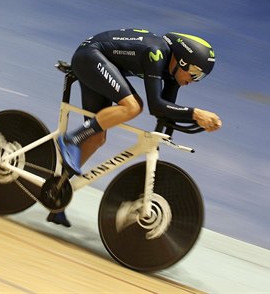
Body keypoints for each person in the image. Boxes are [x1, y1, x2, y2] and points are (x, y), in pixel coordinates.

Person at [47, 29, 221, 227]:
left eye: (200, 77)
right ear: (182, 61)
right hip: (90, 57)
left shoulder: (174, 76)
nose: (194, 80)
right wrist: (196, 114)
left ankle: (56, 196)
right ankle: (72, 139)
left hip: (99, 63)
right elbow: (156, 104)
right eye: (195, 74)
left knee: (96, 138)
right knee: (133, 106)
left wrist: (195, 122)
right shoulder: (155, 52)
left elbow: (164, 114)